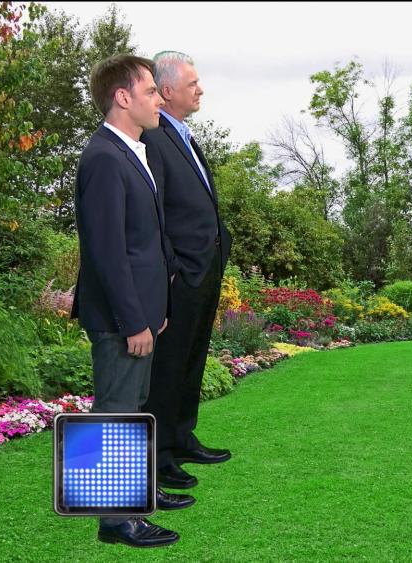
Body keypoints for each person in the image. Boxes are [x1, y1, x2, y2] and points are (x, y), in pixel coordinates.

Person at [72, 54, 193, 549]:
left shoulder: (131, 151)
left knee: (132, 405)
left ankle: (134, 496)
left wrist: (155, 309)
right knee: (115, 410)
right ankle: (116, 520)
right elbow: (107, 251)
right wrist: (132, 321)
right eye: (150, 91)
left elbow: (146, 242)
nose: (159, 100)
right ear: (123, 98)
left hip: (142, 312)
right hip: (120, 317)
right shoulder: (103, 157)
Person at [140, 51, 233, 492]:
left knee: (192, 359)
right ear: (167, 90)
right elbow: (154, 212)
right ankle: (159, 458)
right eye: (192, 83)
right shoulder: (154, 138)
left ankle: (181, 437)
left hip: (206, 269)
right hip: (181, 276)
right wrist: (174, 269)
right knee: (169, 365)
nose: (200, 90)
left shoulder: (184, 135)